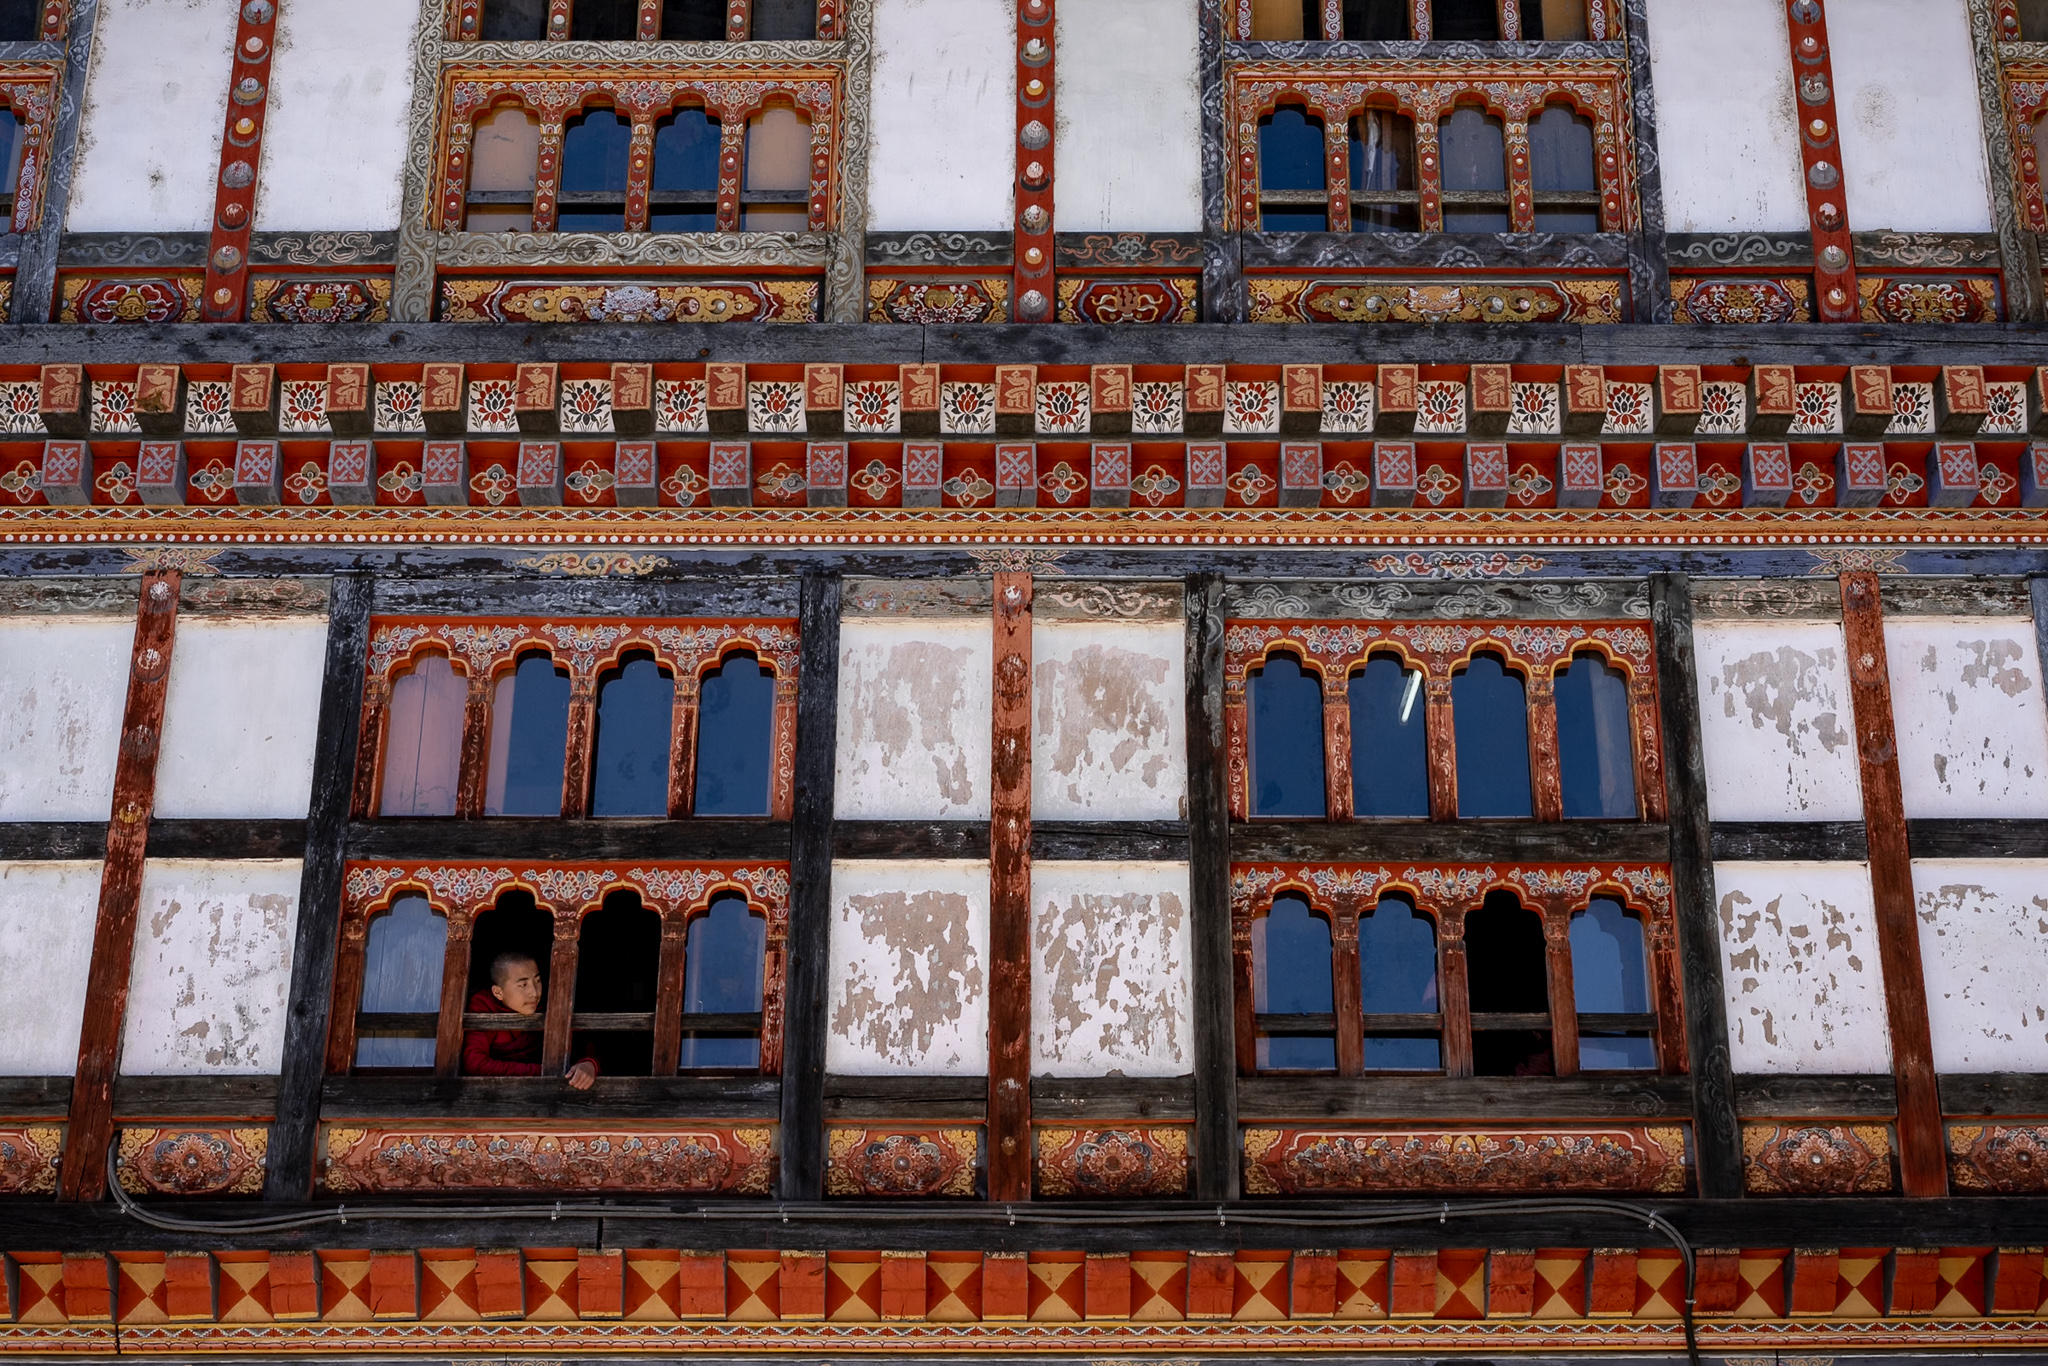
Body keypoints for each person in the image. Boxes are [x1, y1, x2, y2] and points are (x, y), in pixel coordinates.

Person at [462, 951, 598, 1088]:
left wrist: (590, 1064)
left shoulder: (549, 1002)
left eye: (537, 981)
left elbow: (588, 1045)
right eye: (523, 985)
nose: (534, 993)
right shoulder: (484, 1005)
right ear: (498, 992)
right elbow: (475, 1064)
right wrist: (546, 1072)